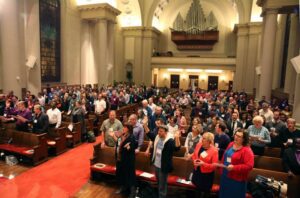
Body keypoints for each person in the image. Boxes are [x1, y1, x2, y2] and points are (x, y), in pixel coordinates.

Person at [147, 125, 181, 198]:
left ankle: (162, 196)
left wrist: (177, 137)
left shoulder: (170, 141)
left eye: (161, 131)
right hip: (156, 164)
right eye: (158, 131)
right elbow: (149, 134)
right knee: (159, 182)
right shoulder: (157, 137)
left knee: (162, 184)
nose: (159, 132)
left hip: (163, 166)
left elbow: (177, 148)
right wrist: (144, 125)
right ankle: (160, 195)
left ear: (166, 132)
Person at [219, 129, 254, 198]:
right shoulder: (231, 144)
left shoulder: (247, 150)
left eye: (239, 136)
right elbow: (224, 156)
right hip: (225, 176)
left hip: (236, 179)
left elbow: (249, 166)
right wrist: (221, 169)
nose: (236, 137)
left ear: (244, 139)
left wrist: (234, 167)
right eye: (236, 135)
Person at [109, 123, 137, 198]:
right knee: (121, 174)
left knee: (130, 175)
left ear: (128, 129)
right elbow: (118, 143)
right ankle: (123, 187)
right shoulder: (122, 136)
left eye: (124, 127)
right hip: (120, 158)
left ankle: (132, 192)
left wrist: (129, 148)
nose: (123, 128)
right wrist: (113, 136)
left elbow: (133, 146)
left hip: (128, 160)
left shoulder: (131, 137)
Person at [191, 132, 218, 197]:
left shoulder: (214, 151)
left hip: (206, 175)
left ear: (209, 141)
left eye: (204, 138)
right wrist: (194, 161)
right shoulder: (199, 144)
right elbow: (194, 154)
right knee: (197, 191)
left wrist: (203, 164)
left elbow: (214, 166)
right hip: (197, 172)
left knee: (205, 192)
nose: (201, 139)